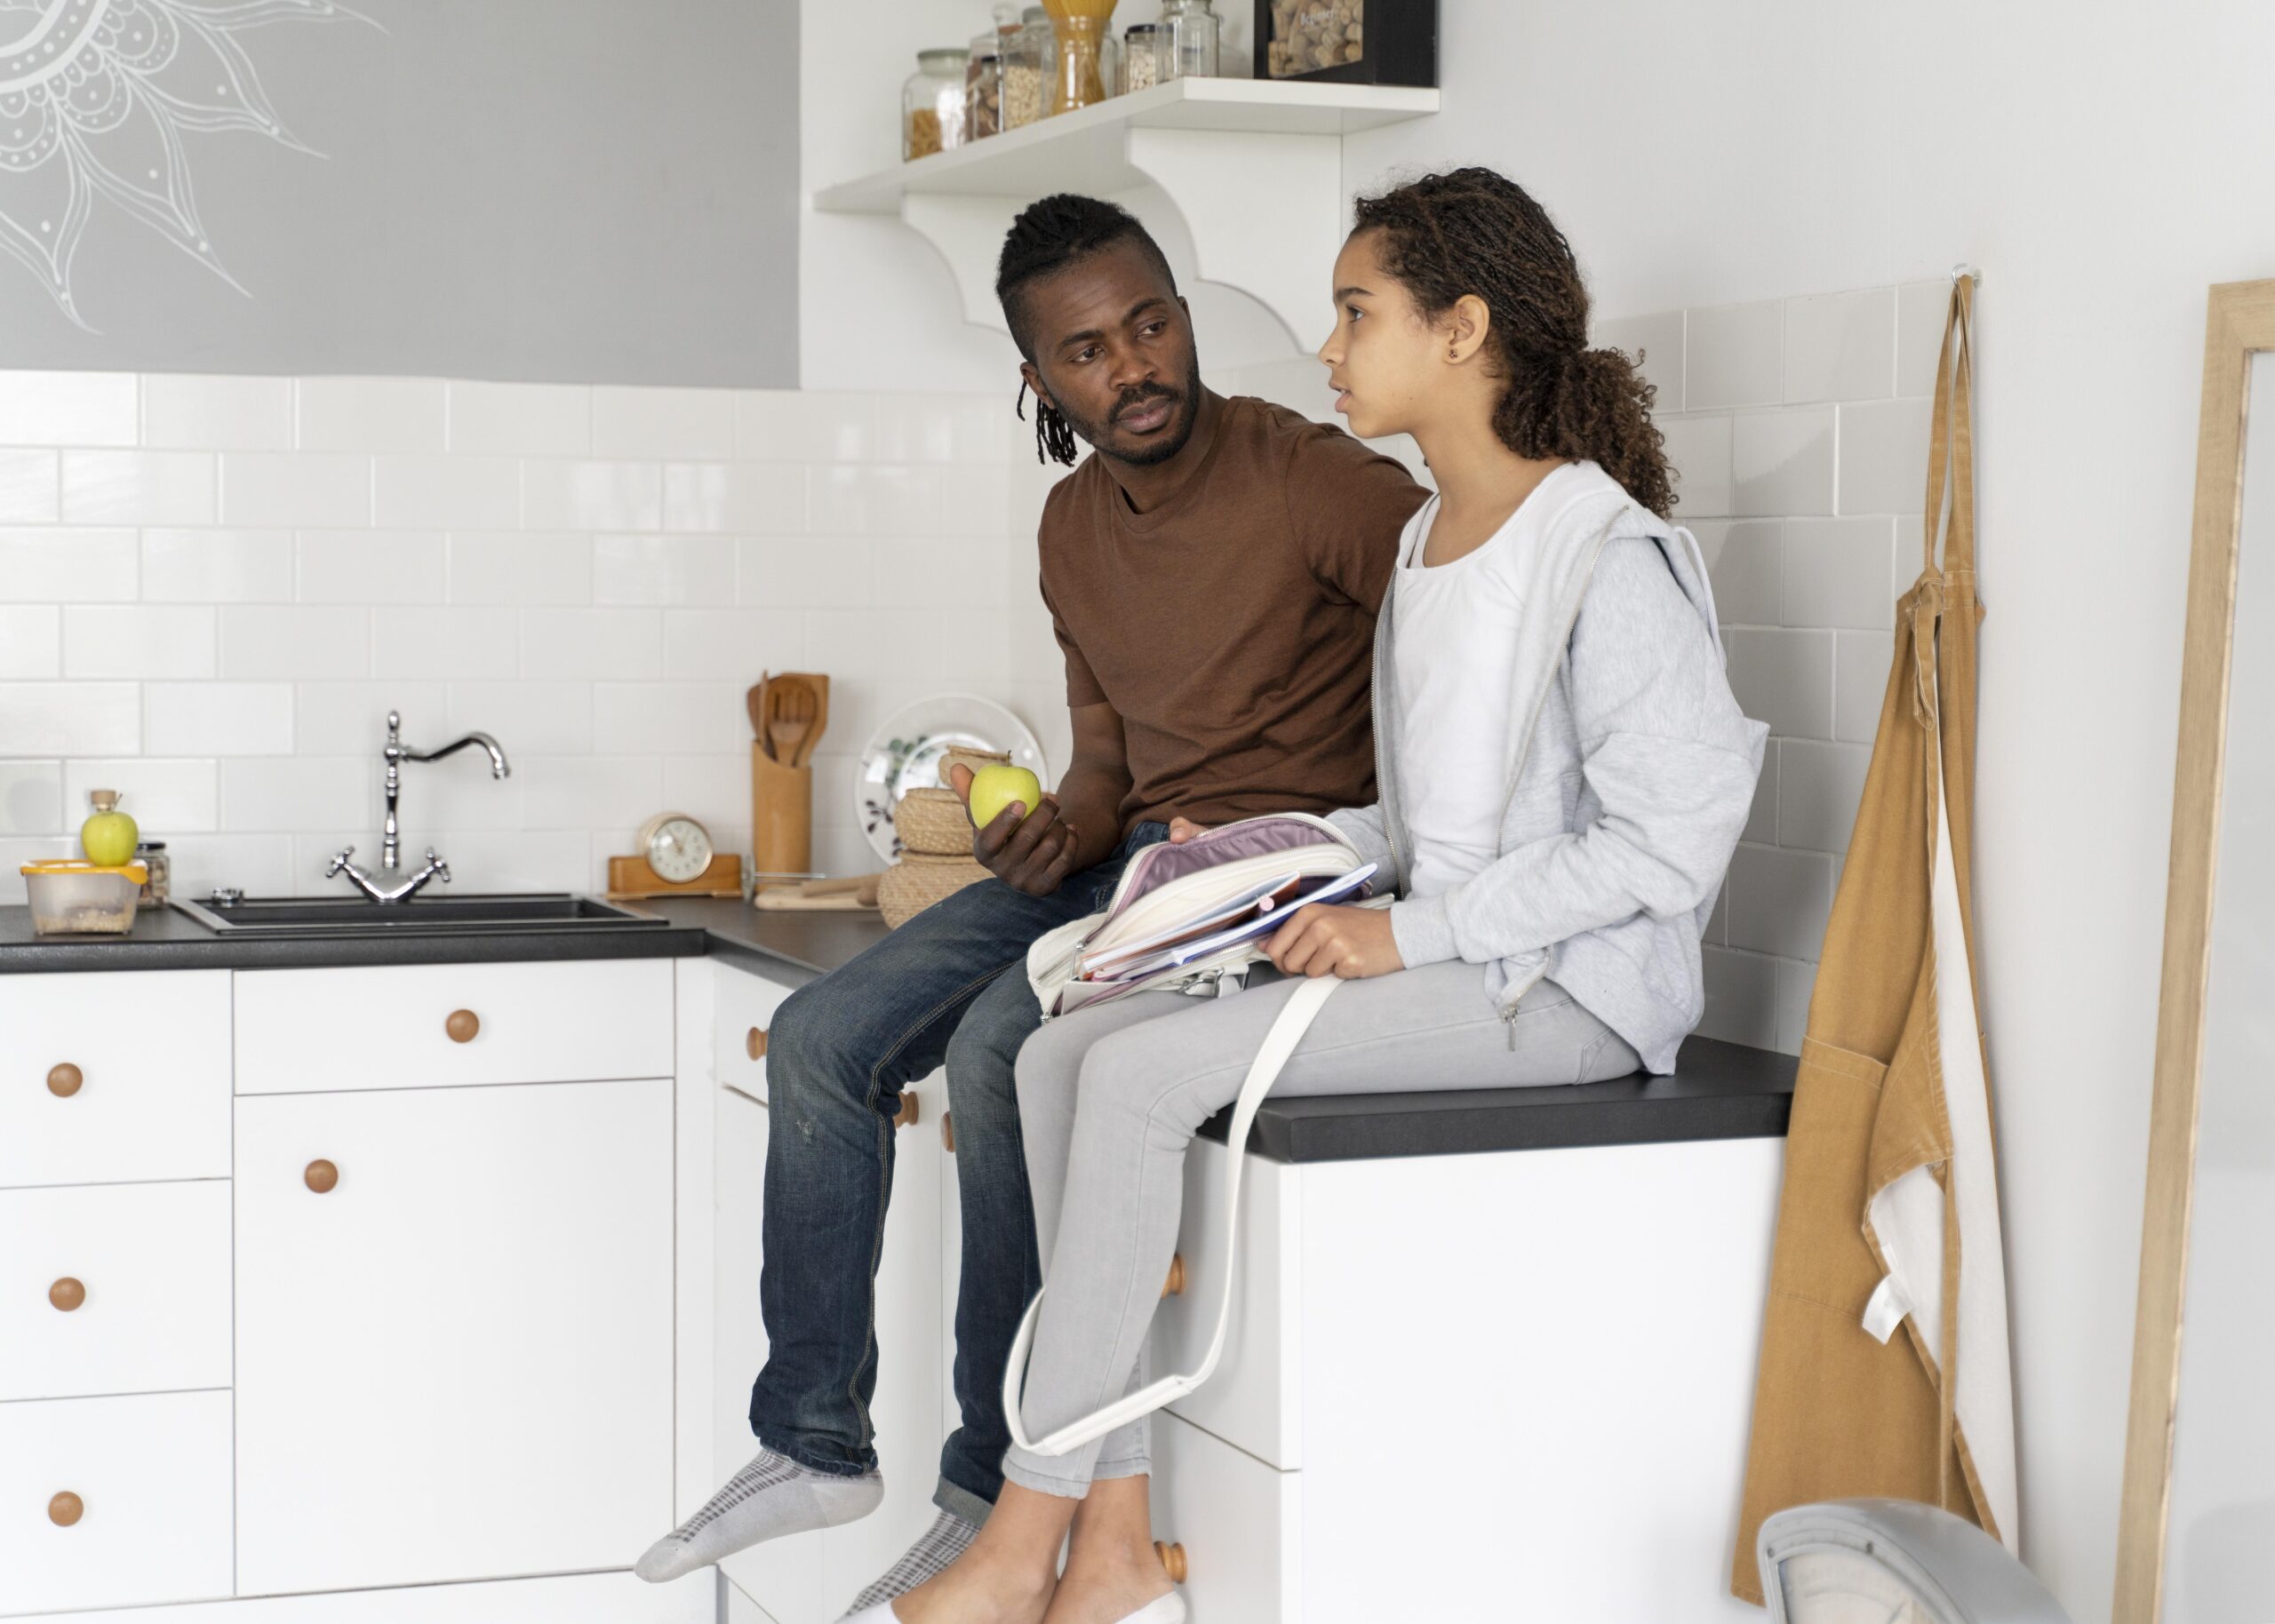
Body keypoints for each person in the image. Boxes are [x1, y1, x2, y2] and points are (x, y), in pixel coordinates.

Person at [873, 167, 1768, 1624]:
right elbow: (1422, 820)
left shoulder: (1603, 555)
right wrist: (1208, 880)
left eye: (1357, 312)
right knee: (1054, 1054)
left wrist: (1403, 932)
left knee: (1149, 1079)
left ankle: (1020, 1536)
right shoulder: (1429, 547)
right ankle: (1113, 1538)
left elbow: (1673, 846)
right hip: (1460, 968)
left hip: (1572, 995)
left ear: (1463, 329)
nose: (1331, 346)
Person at [634, 194, 1426, 1616]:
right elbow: (1113, 759)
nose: (1132, 367)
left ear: (1182, 316)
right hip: (1125, 860)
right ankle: (812, 1438)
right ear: (1036, 380)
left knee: (1003, 1048)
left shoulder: (1308, 477)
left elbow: (1460, 627)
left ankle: (997, 1478)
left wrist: (1392, 852)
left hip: (1259, 880)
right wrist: (1054, 823)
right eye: (1085, 351)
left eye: (1150, 324)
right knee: (822, 1033)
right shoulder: (1071, 527)